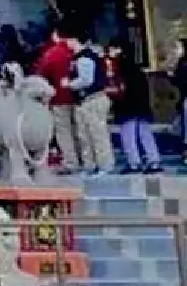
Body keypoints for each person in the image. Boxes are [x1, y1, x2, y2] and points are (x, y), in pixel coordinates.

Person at [61, 24, 112, 176]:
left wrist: (68, 84)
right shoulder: (81, 57)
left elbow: (86, 80)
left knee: (97, 134)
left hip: (93, 100)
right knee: (84, 135)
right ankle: (89, 165)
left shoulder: (85, 58)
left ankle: (104, 165)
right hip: (84, 102)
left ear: (74, 39)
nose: (67, 43)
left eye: (68, 39)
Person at [34, 23, 81, 173]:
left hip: (59, 98)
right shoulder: (76, 51)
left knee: (64, 131)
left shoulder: (53, 53)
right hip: (80, 97)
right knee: (79, 129)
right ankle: (85, 159)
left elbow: (41, 74)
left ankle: (71, 161)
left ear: (55, 34)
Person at [107, 42, 158, 173]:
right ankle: (154, 160)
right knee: (144, 133)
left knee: (128, 134)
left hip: (127, 106)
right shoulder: (136, 68)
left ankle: (134, 162)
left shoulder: (119, 68)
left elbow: (120, 89)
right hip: (141, 105)